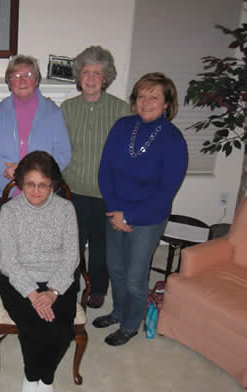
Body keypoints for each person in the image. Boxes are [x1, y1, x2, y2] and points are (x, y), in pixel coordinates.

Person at [95, 72, 188, 346]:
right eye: (141, 96)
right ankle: (119, 311)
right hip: (115, 212)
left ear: (167, 104)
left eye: (154, 97)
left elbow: (166, 192)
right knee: (116, 269)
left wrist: (130, 216)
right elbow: (105, 171)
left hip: (147, 219)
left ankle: (131, 324)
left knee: (135, 278)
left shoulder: (173, 140)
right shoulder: (122, 126)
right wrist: (114, 210)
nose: (146, 102)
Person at [0, 151, 79, 392]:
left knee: (62, 332)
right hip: (18, 280)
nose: (35, 190)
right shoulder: (10, 212)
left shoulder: (66, 210)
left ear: (52, 185)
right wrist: (33, 295)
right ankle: (33, 378)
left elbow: (71, 256)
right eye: (30, 184)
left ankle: (46, 378)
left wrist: (52, 291)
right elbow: (8, 261)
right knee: (34, 330)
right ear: (21, 183)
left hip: (58, 280)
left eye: (43, 185)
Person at [61, 46, 130, 309]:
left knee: (102, 247)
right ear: (79, 76)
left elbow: (126, 156)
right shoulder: (67, 108)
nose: (90, 78)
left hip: (107, 193)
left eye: (97, 73)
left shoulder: (121, 109)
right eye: (86, 72)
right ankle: (71, 285)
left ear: (106, 77)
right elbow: (60, 149)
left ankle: (99, 288)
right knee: (72, 244)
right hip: (73, 190)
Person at [0, 55, 71, 231]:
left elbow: (63, 153)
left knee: (38, 245)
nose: (22, 80)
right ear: (9, 82)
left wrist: (39, 175)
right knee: (6, 246)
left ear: (36, 79)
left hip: (41, 192)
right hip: (4, 191)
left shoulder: (53, 113)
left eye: (28, 74)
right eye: (15, 76)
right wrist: (5, 169)